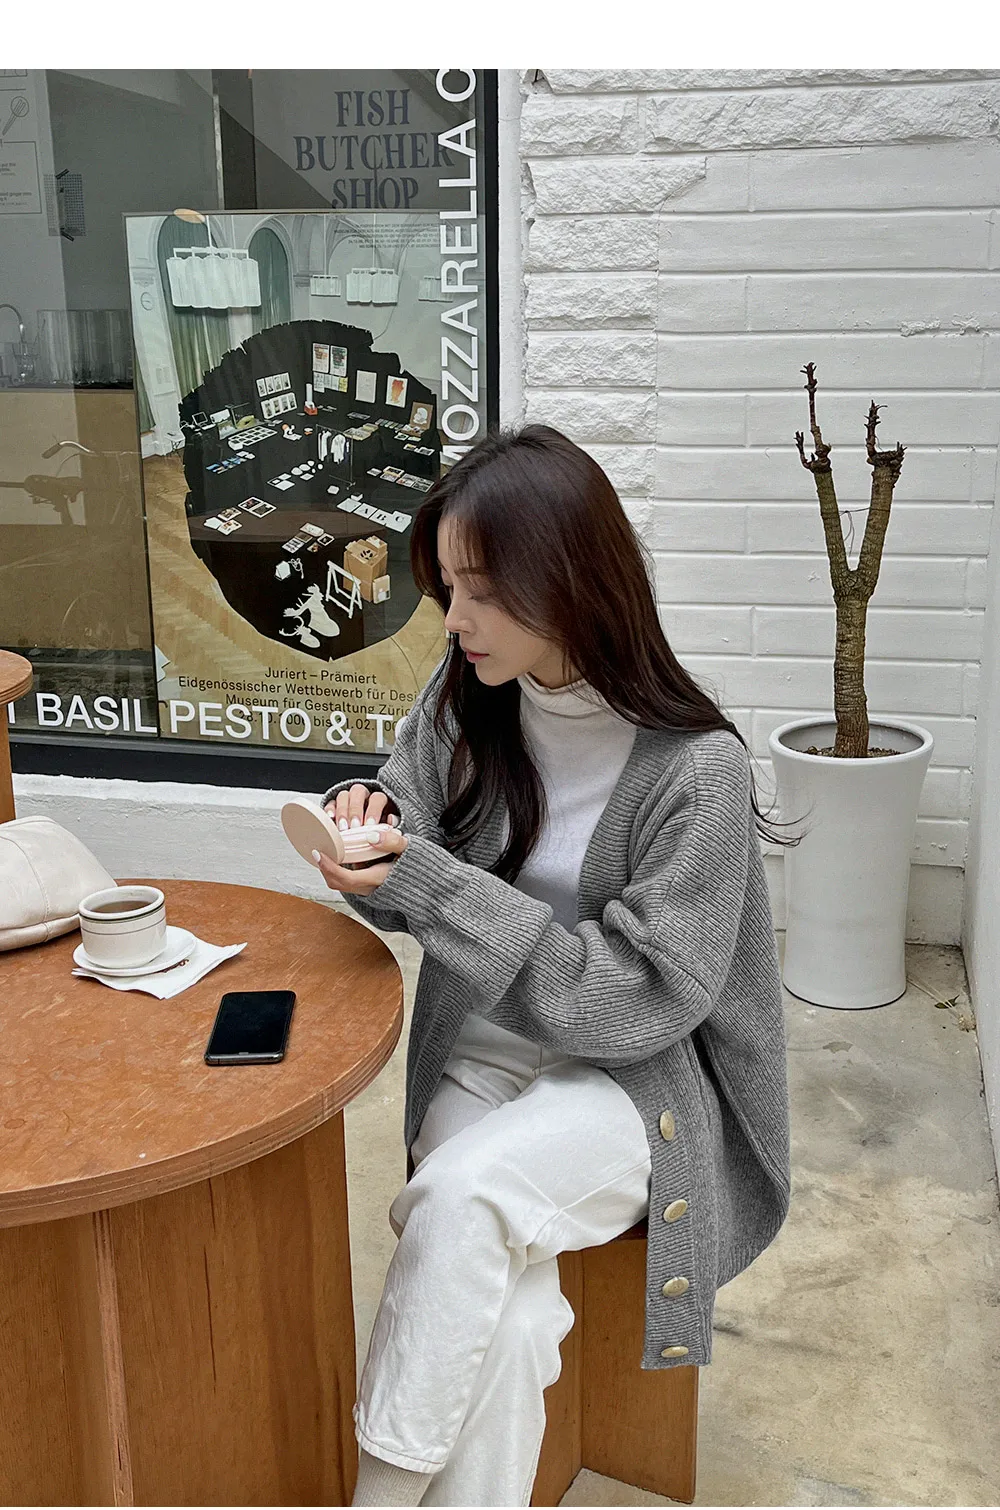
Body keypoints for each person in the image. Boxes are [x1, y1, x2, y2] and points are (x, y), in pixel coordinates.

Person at [314, 424, 793, 1507]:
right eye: (447, 585)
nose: (454, 619)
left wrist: (426, 879)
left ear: (572, 580)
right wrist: (365, 827)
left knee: (464, 1199)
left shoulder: (698, 772)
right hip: (477, 1058)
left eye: (483, 591)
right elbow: (404, 826)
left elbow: (633, 1002)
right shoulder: (463, 701)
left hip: (630, 1083)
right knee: (515, 1311)